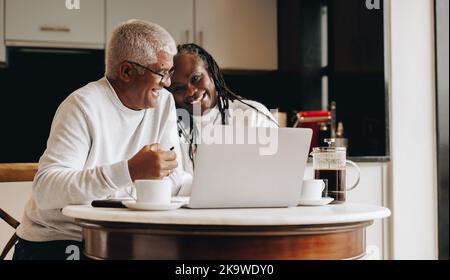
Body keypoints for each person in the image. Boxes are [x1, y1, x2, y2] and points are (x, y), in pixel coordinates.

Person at [13, 20, 182, 260]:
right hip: (61, 240)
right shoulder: (82, 106)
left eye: (169, 72)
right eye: (162, 73)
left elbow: (172, 177)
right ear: (126, 72)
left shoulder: (163, 103)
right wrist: (129, 171)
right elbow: (46, 190)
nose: (167, 82)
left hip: (122, 236)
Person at [167, 44, 278, 195]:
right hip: (191, 215)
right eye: (178, 88)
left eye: (195, 78)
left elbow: (276, 174)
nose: (191, 91)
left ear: (211, 73)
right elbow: (173, 184)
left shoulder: (253, 116)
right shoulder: (170, 126)